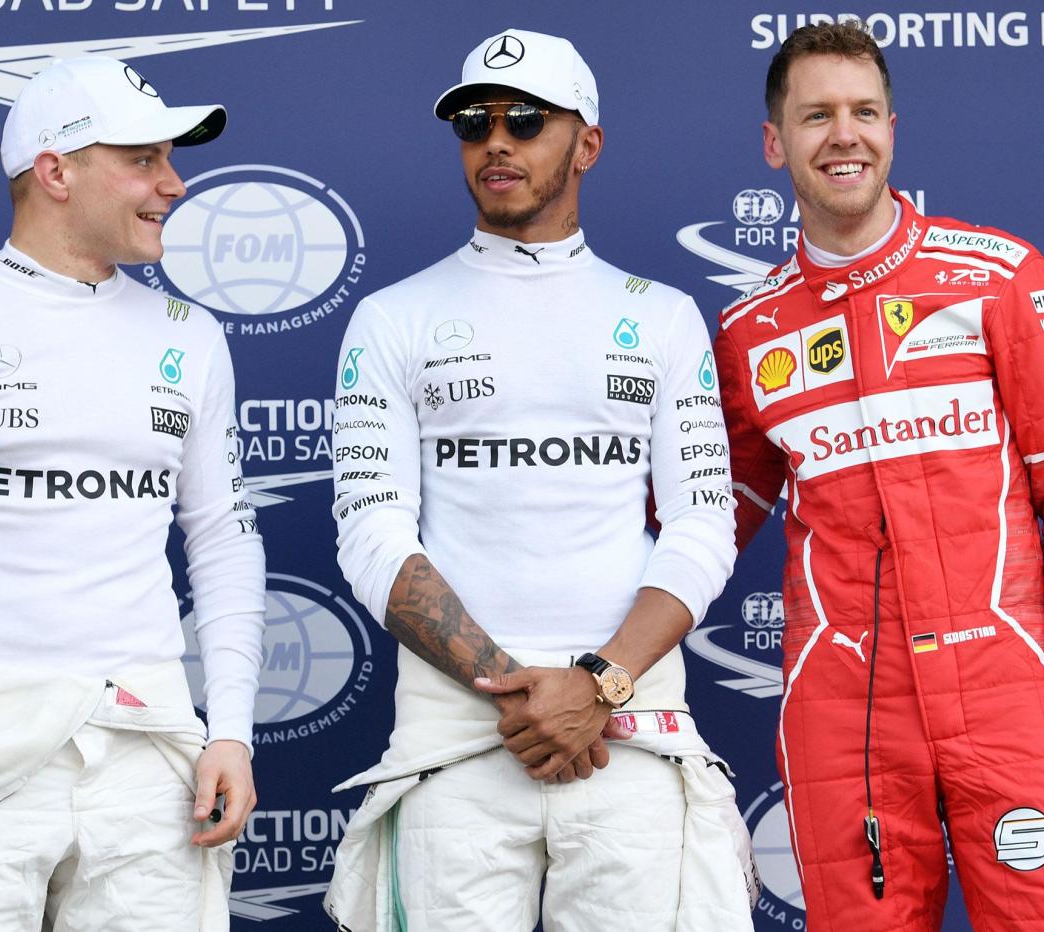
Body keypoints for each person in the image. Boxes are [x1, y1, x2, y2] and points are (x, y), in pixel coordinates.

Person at [322, 27, 757, 932]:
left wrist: (597, 688)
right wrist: (520, 694)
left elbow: (703, 525)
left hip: (630, 741)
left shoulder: (665, 319)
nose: (497, 141)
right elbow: (371, 532)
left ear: (586, 144)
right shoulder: (390, 317)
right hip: (456, 747)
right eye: (473, 123)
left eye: (526, 119)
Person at [0, 56, 266, 929]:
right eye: (145, 159)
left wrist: (229, 727)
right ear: (55, 171)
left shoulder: (190, 337)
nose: (174, 183)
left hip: (150, 758)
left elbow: (225, 541)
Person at [715, 20, 1044, 932]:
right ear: (776, 143)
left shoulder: (997, 277)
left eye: (863, 112)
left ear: (893, 130)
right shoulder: (747, 332)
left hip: (1009, 693)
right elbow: (706, 520)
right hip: (843, 709)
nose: (843, 135)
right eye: (816, 116)